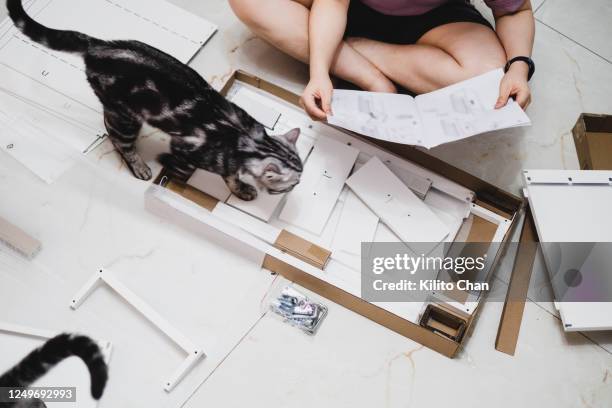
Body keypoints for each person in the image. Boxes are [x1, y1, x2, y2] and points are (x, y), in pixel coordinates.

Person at [229, 0, 535, 120]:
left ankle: (354, 49)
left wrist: (519, 67)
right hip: (351, 6)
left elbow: (514, 10)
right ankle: (369, 74)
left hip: (435, 18)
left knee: (487, 74)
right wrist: (319, 73)